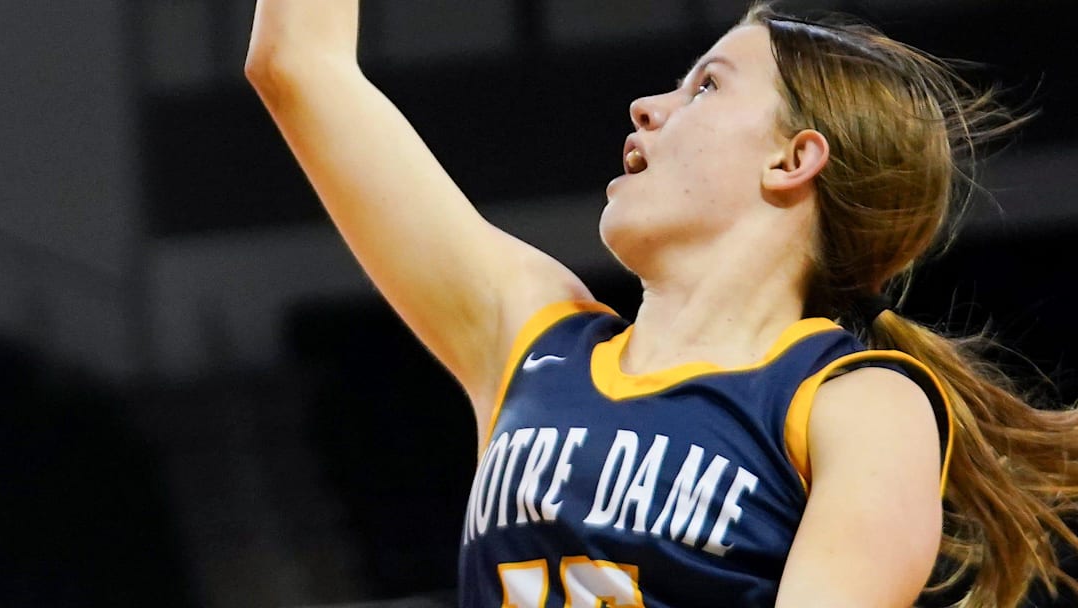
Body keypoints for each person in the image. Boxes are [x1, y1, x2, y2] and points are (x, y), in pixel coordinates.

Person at [245, 1, 1078, 606]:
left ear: (794, 159)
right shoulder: (533, 333)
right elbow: (295, 64)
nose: (648, 108)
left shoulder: (859, 402)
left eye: (705, 87)